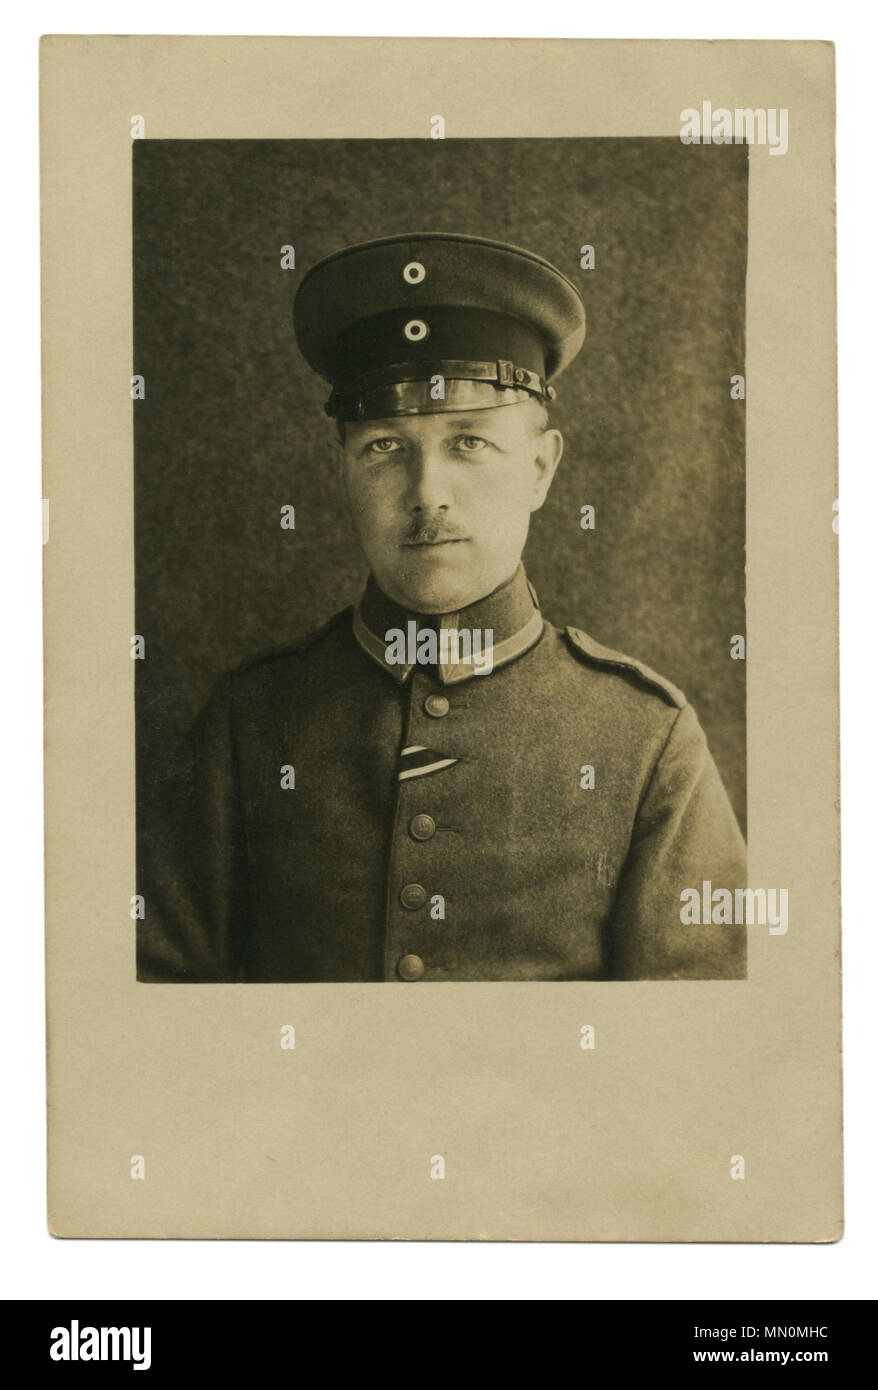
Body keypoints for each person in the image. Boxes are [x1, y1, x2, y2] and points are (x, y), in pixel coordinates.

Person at [137, 232, 746, 984]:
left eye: (468, 442)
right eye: (385, 448)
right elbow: (155, 1021)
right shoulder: (248, 723)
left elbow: (697, 1056)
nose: (428, 492)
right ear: (342, 472)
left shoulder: (646, 741)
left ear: (540, 469)